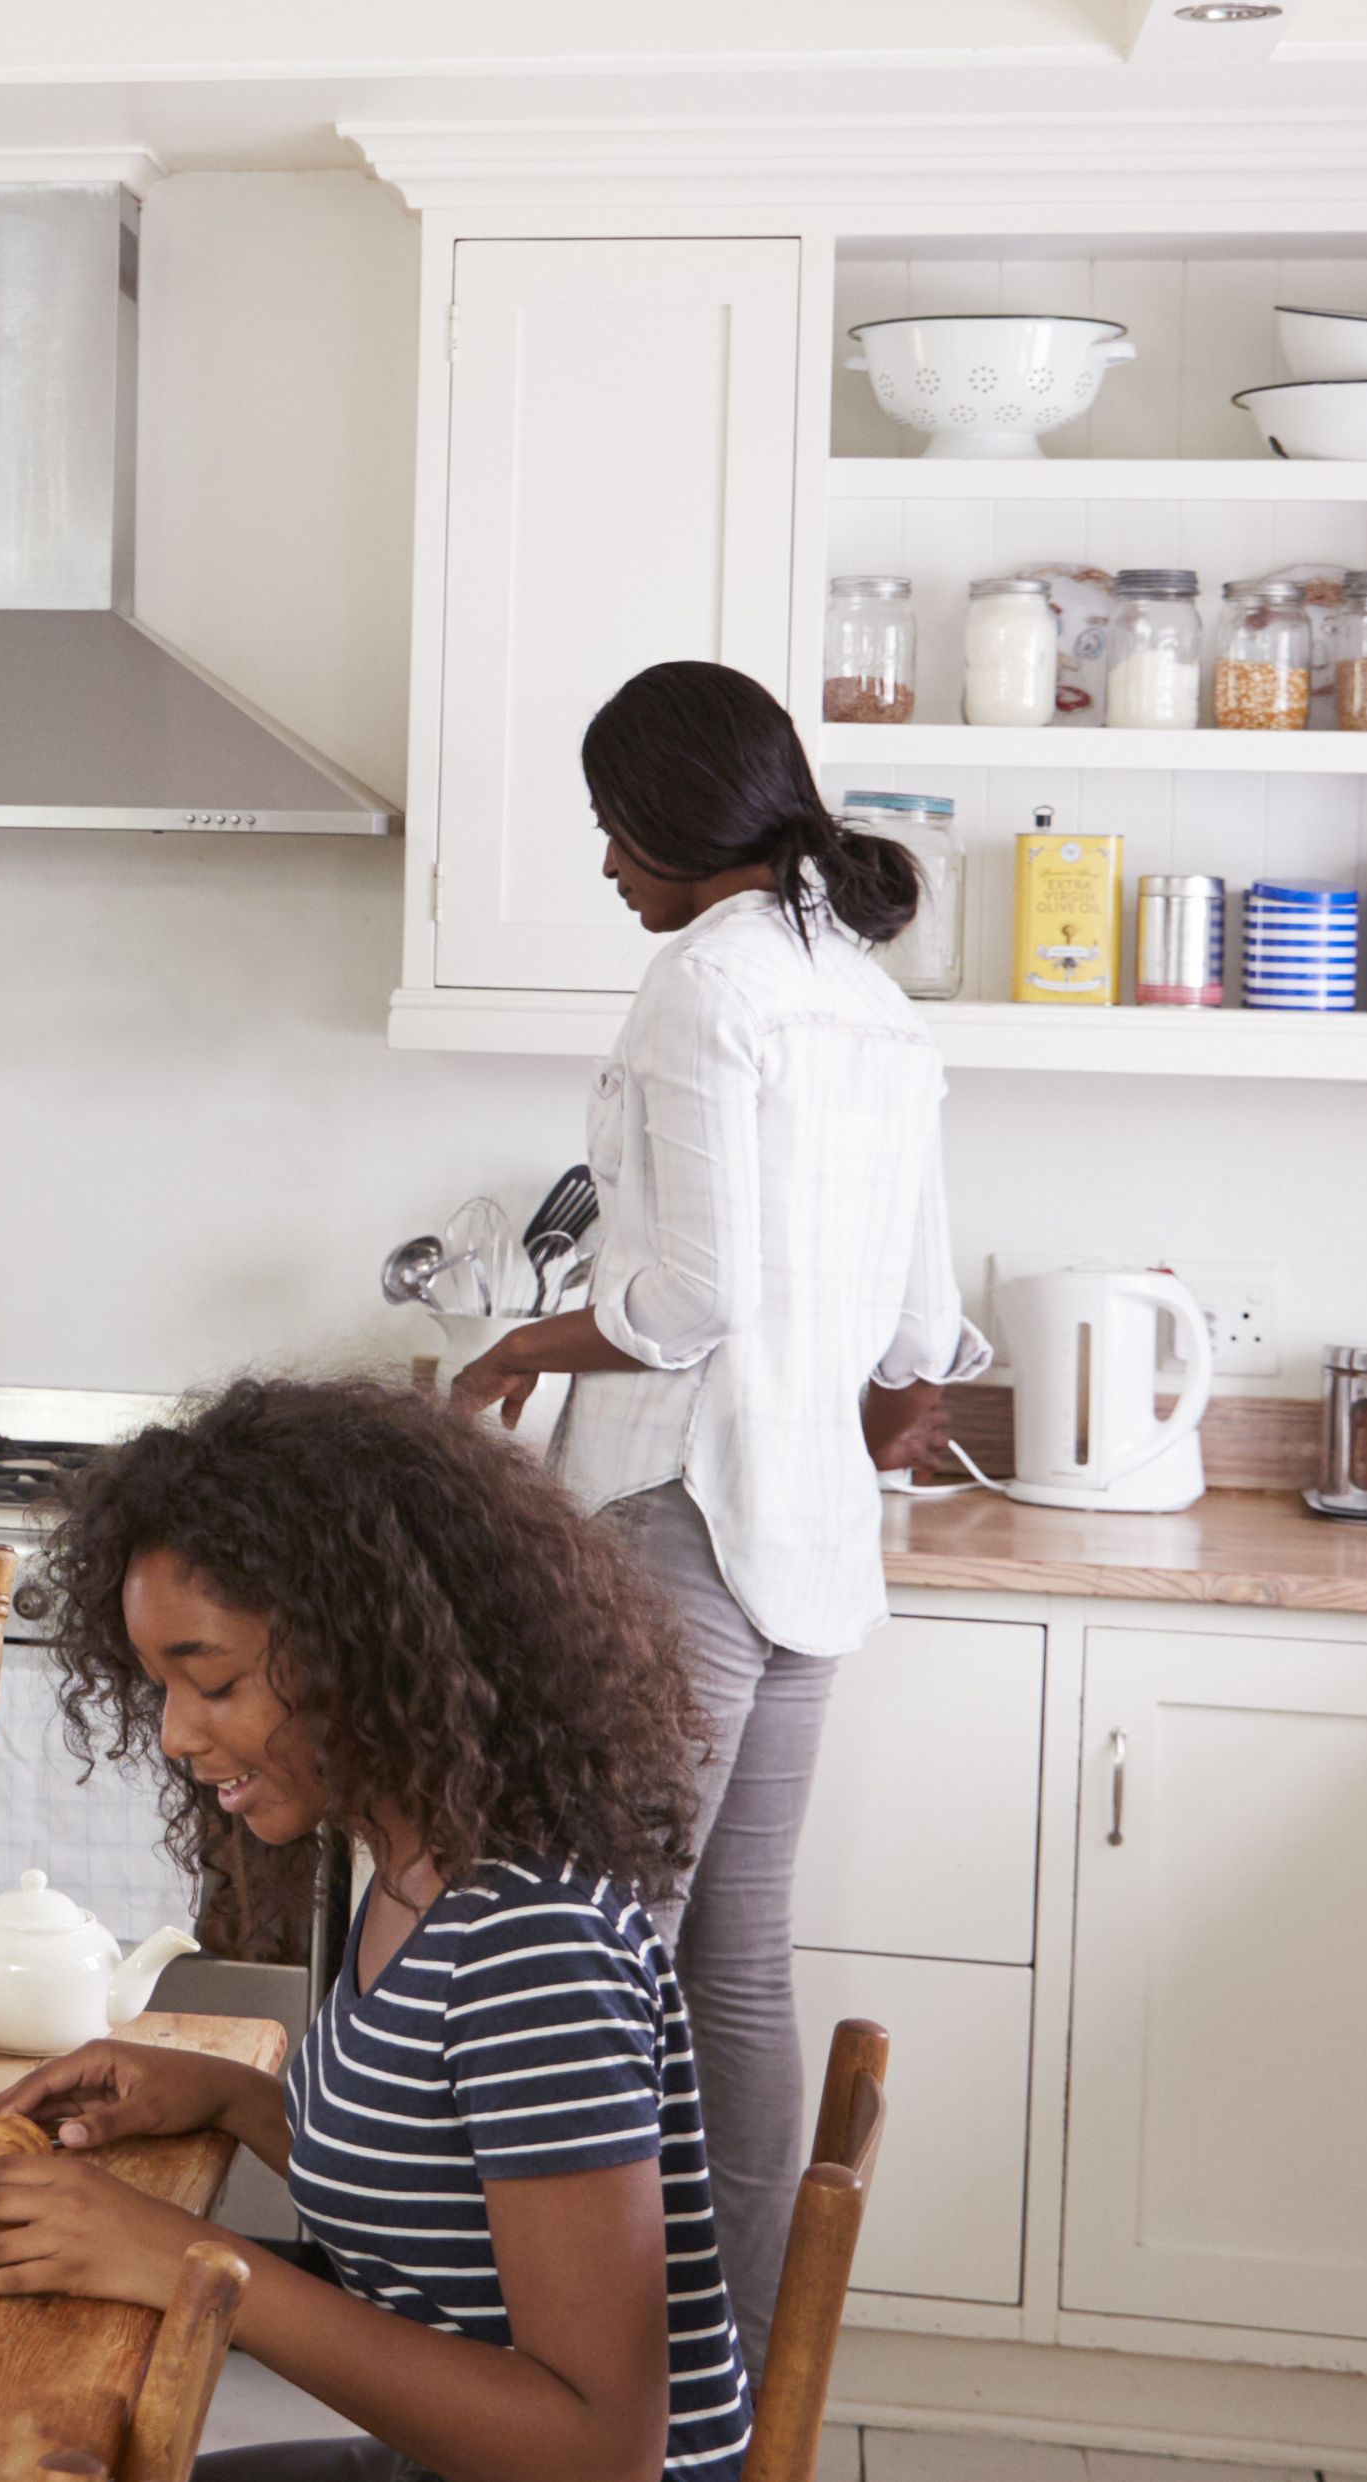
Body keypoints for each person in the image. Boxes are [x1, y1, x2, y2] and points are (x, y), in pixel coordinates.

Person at [440, 657, 989, 2374]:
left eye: (615, 825)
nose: (606, 862)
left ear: (678, 816)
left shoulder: (704, 983)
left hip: (678, 1513)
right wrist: (837, 1411)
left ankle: (579, 2384)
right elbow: (923, 1332)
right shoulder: (876, 1005)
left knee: (595, 1961)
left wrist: (513, 1350)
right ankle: (730, 2384)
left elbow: (683, 1300)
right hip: (808, 1536)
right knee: (730, 1965)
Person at [0, 1377, 745, 2482]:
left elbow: (601, 2452)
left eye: (213, 1681)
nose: (174, 1733)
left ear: (366, 1651)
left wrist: (186, 2259)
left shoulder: (530, 1947)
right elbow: (434, 2174)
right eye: (159, 1685)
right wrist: (225, 2095)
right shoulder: (414, 1862)